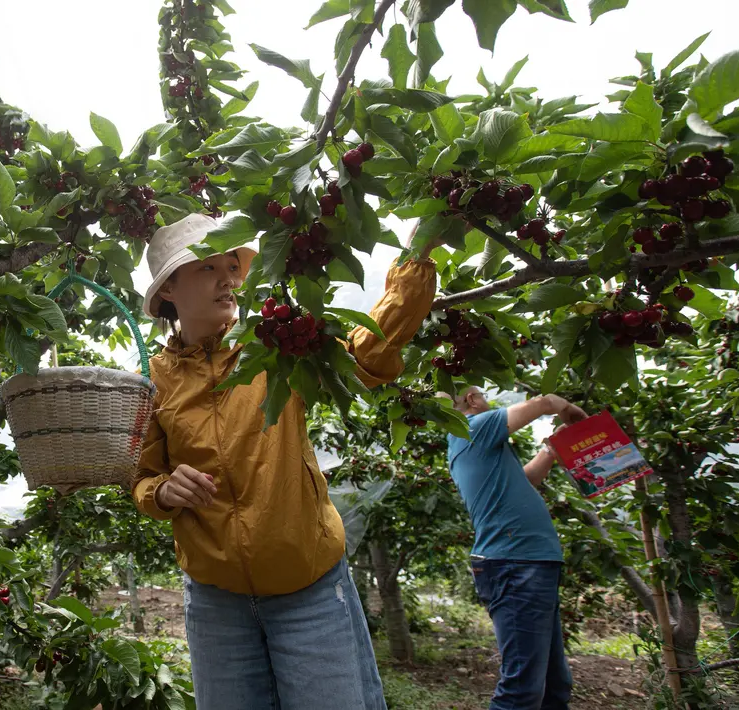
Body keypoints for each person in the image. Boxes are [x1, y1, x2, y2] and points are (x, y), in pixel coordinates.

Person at [131, 213, 438, 709]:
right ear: (169, 289)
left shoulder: (275, 345)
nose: (228, 278)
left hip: (309, 590)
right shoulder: (152, 383)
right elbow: (142, 478)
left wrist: (416, 262)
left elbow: (363, 356)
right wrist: (163, 491)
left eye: (233, 265)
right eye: (207, 268)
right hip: (216, 601)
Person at [444, 386, 587, 710]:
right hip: (516, 563)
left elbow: (524, 480)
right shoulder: (472, 429)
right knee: (522, 689)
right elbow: (544, 402)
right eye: (484, 395)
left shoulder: (481, 447)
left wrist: (550, 450)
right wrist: (567, 410)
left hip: (527, 562)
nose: (490, 403)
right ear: (472, 399)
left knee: (553, 685)